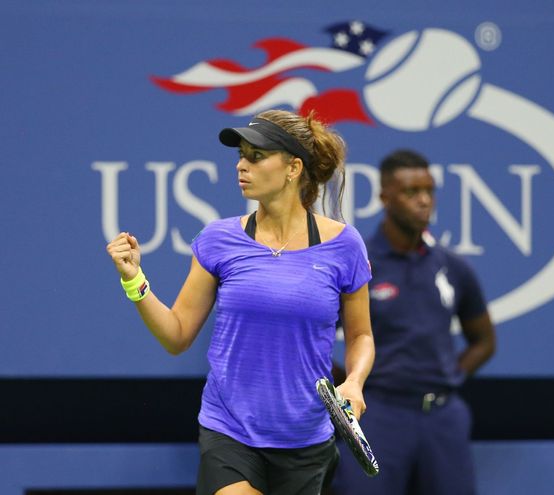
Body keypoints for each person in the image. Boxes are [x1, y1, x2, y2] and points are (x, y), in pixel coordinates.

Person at [106, 109, 375, 495]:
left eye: (256, 156)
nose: (242, 166)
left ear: (293, 167)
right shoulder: (218, 240)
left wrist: (354, 382)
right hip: (229, 429)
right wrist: (135, 280)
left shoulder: (344, 246)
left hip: (305, 440)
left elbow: (361, 335)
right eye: (241, 155)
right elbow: (177, 335)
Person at [331, 149, 496, 495]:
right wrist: (349, 384)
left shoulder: (453, 267)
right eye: (410, 192)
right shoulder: (359, 264)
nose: (424, 201)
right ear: (385, 197)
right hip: (377, 415)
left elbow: (484, 340)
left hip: (442, 419)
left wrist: (450, 376)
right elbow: (312, 337)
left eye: (429, 191)